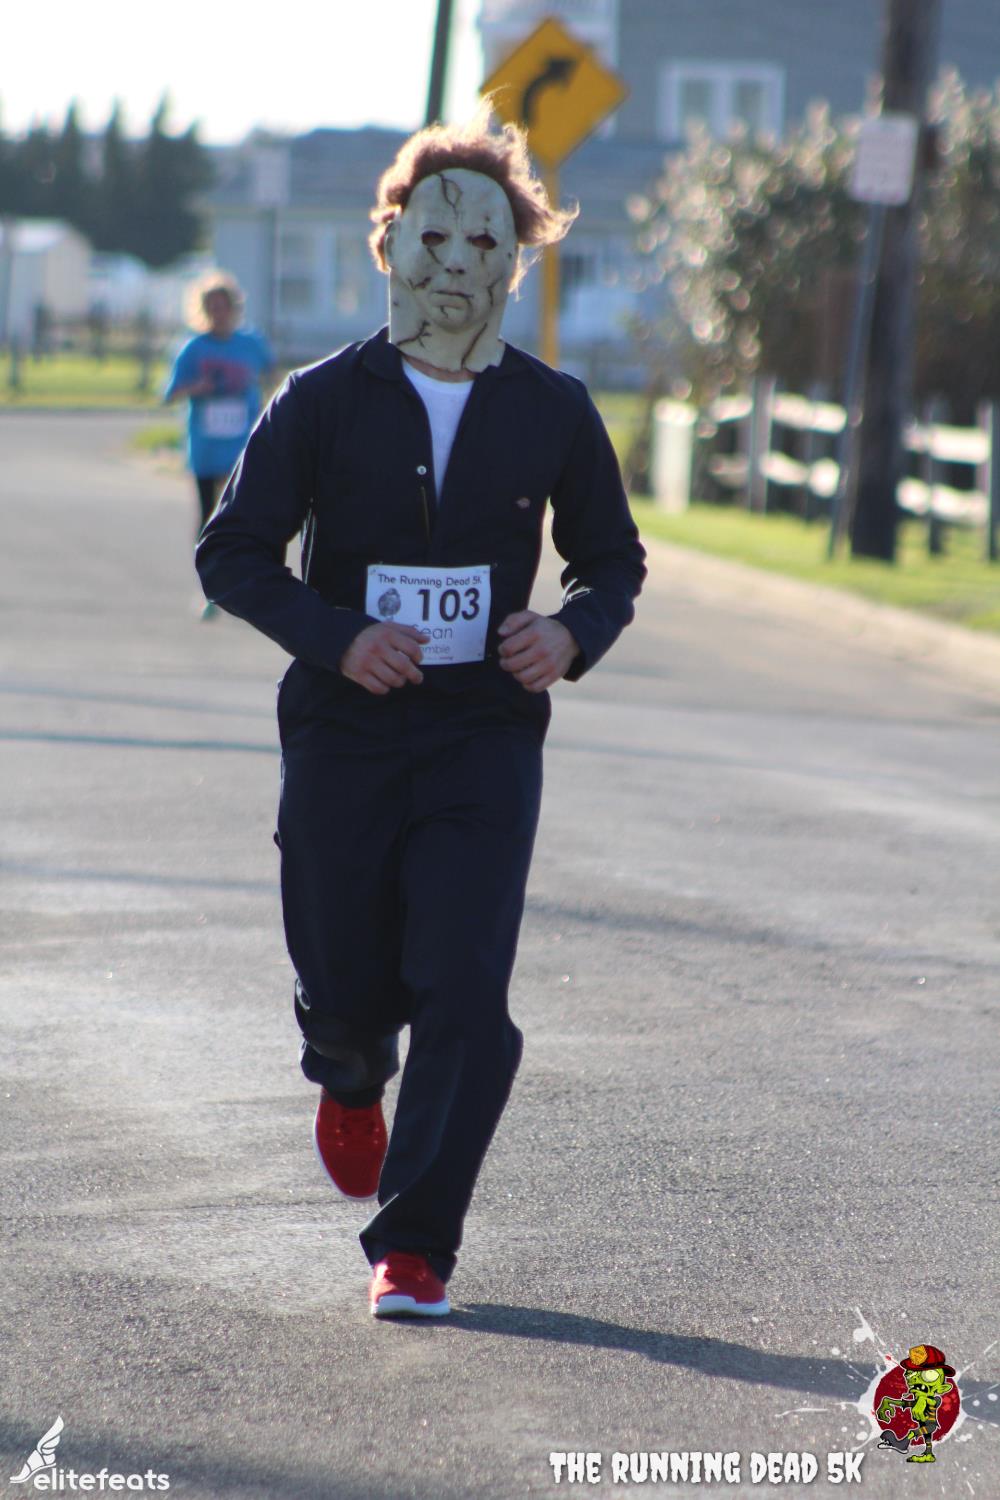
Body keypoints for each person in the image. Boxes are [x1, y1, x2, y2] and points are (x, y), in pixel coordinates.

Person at [195, 109, 646, 1319]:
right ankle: (349, 1070)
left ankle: (414, 1247)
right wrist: (338, 636)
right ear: (389, 243)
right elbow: (232, 554)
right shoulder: (319, 401)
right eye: (432, 235)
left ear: (514, 262)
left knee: (464, 985)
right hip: (342, 731)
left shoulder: (552, 410)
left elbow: (611, 560)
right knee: (344, 972)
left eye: (483, 241)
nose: (455, 260)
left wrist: (569, 632)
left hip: (481, 734)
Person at [164, 270, 274, 551]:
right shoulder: (193, 348)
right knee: (208, 513)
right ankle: (207, 562)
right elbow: (170, 393)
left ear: (234, 309)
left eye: (224, 307)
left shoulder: (251, 343)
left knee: (241, 510)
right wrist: (196, 388)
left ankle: (238, 560)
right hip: (206, 443)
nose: (219, 313)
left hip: (241, 440)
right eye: (212, 307)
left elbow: (271, 376)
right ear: (202, 310)